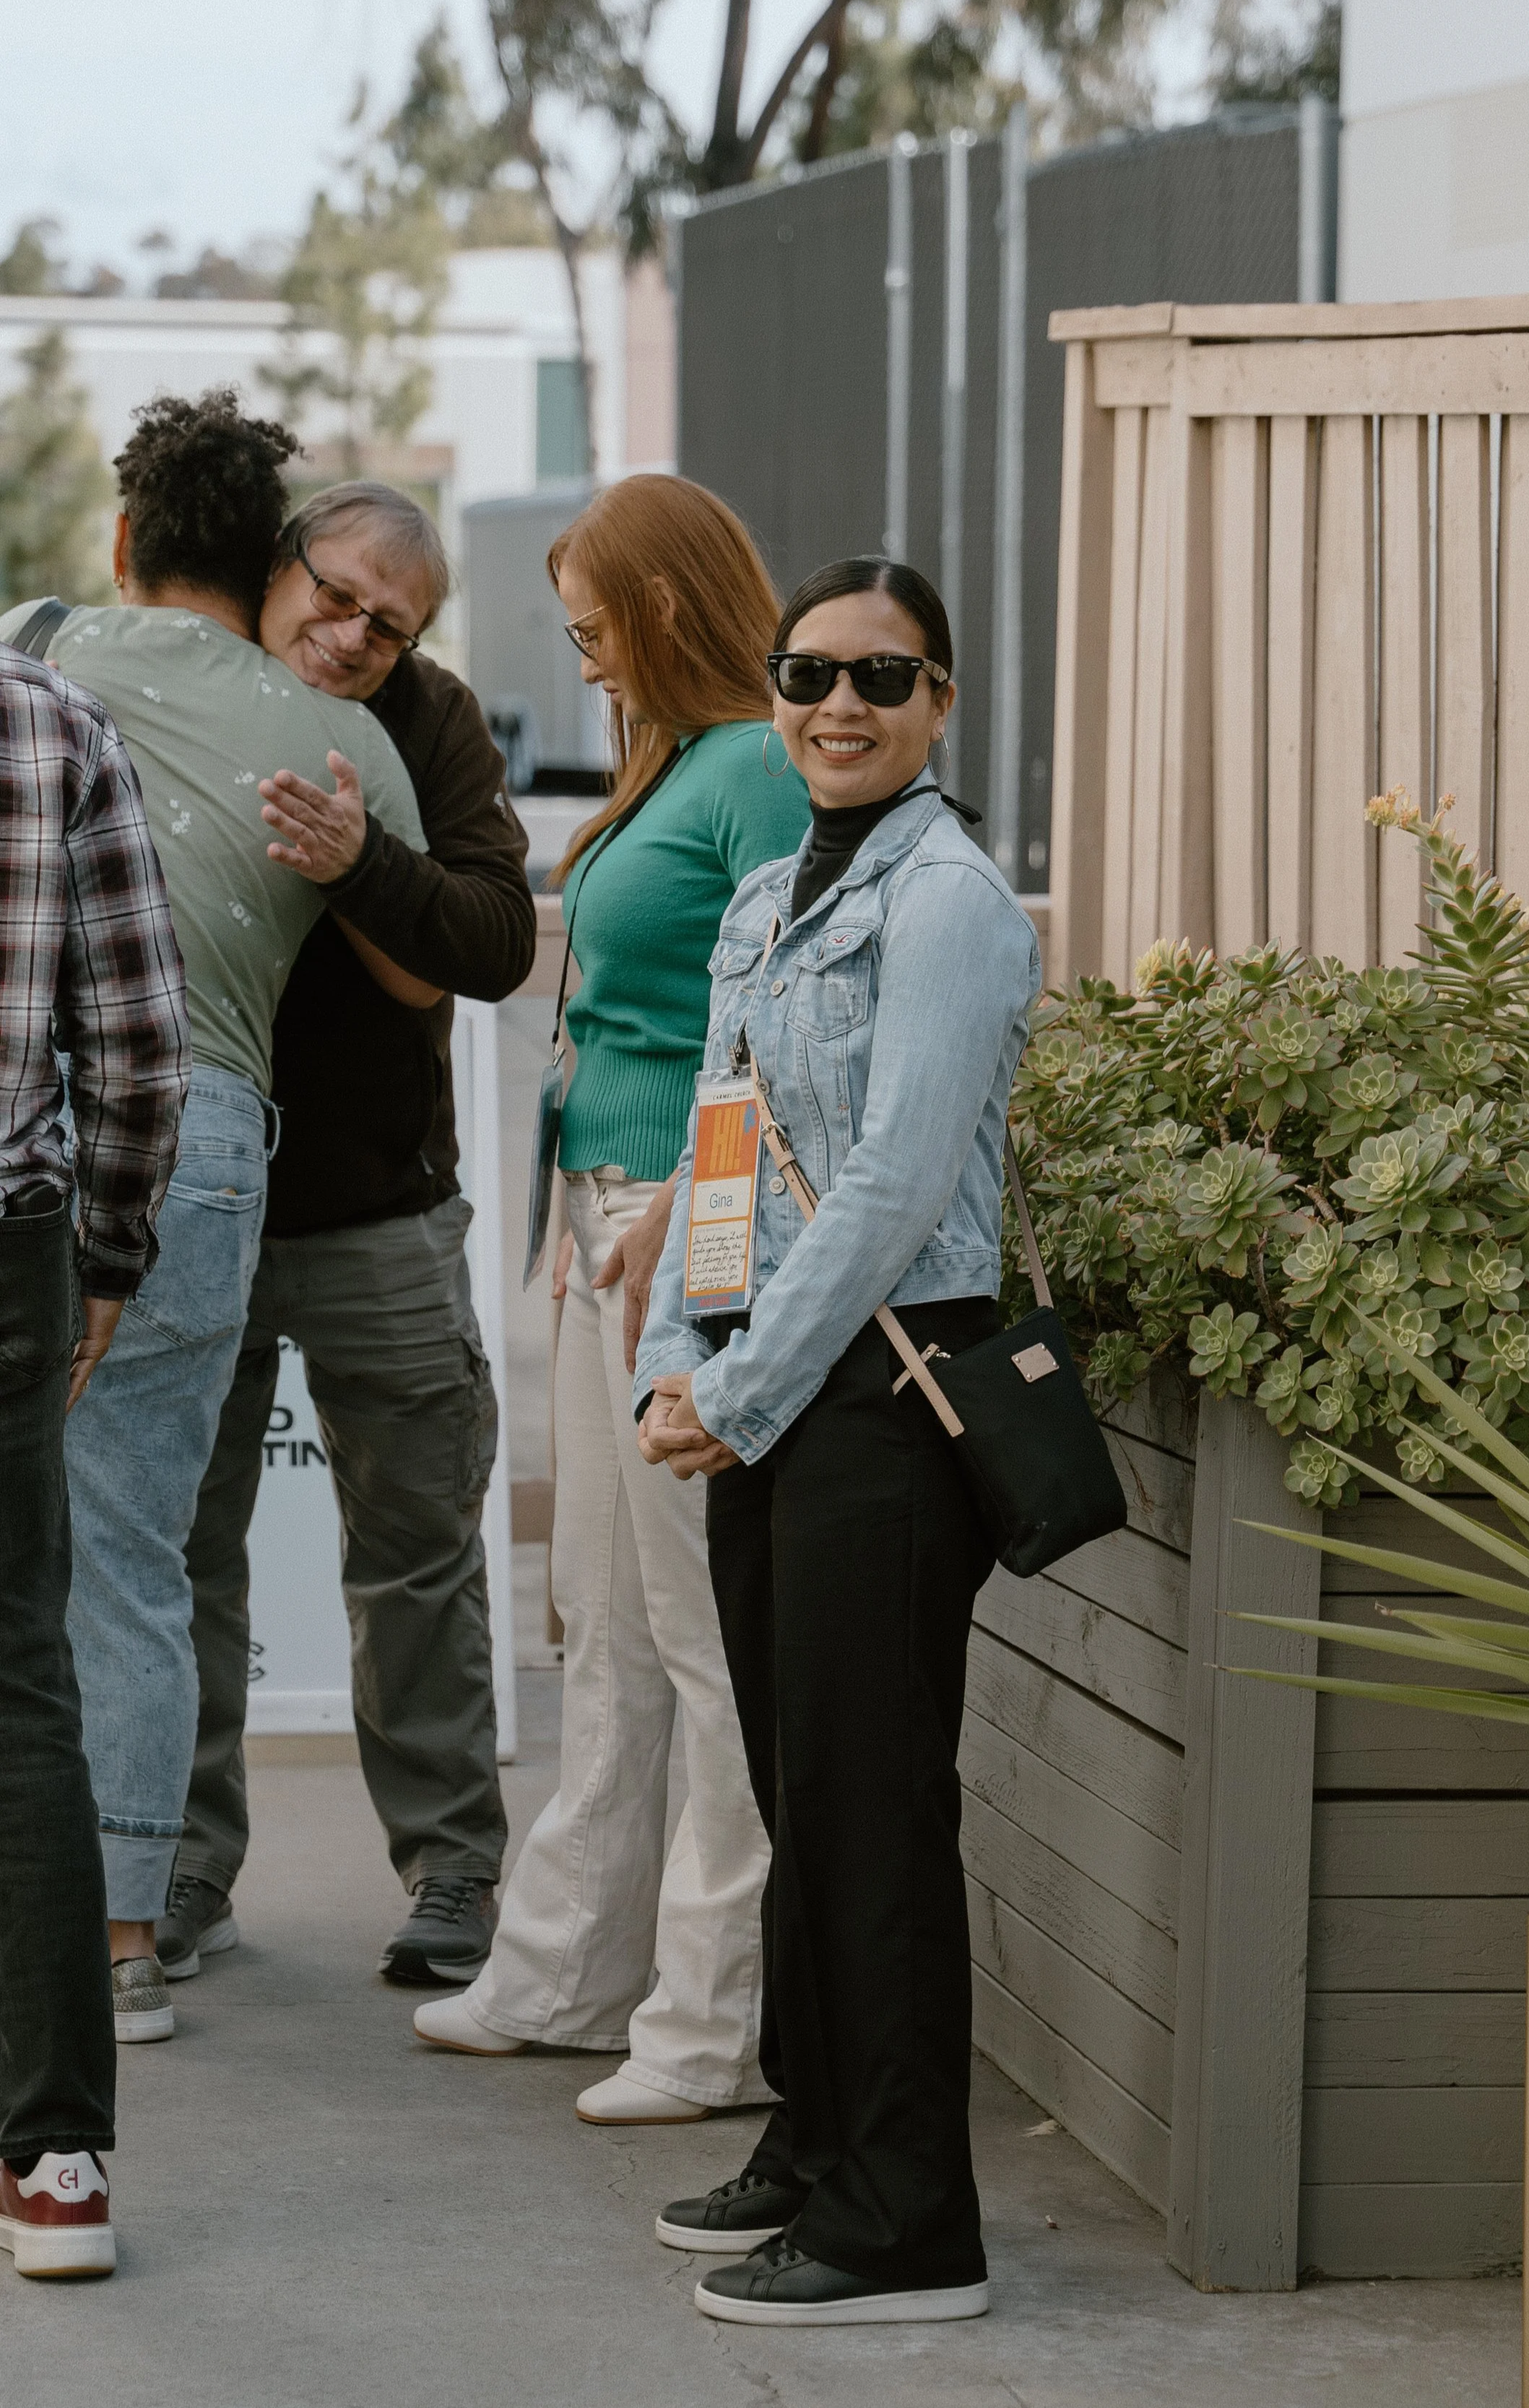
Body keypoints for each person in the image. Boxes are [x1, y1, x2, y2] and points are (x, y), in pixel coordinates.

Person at [634, 558, 1039, 2325]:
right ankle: (815, 2141)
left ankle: (904, 2223)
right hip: (771, 1387)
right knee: (799, 1789)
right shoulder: (770, 891)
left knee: (872, 1812)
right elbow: (719, 1139)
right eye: (809, 675)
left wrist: (735, 1395)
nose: (840, 706)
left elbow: (889, 1187)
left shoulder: (949, 903)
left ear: (939, 698)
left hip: (886, 1388)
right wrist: (677, 1352)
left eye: (882, 676)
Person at [0, 389, 428, 2048]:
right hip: (205, 1138)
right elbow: (419, 960)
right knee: (132, 1554)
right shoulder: (344, 743)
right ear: (267, 569)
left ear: (122, 538)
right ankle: (123, 1935)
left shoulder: (33, 652)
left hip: (22, 1119)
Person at [411, 474, 810, 2128]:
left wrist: (695, 1214)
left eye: (590, 629)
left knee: (697, 1630)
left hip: (683, 1224)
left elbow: (785, 1028)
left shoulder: (754, 770)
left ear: (658, 606)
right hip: (606, 1214)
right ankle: (571, 1968)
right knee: (600, 1606)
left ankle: (712, 2024)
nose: (577, 660)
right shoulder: (677, 761)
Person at [165, 482, 534, 1993]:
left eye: (391, 623)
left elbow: (493, 942)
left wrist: (358, 862)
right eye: (335, 594)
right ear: (279, 568)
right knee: (183, 1551)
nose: (353, 635)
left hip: (380, 1205)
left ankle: (451, 1869)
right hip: (190, 1203)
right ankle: (179, 1866)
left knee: (416, 1552)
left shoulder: (431, 724)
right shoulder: (173, 683)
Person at [0, 643, 187, 2278]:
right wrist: (108, 1250)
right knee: (17, 1684)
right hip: (3, 1250)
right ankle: (54, 2159)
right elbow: (133, 1039)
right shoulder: (49, 721)